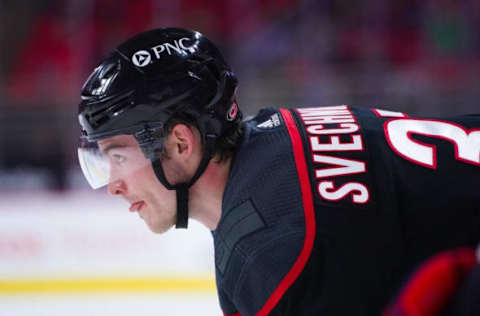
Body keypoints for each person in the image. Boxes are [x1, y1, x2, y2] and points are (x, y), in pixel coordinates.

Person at [77, 28, 480, 316]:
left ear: (181, 144)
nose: (112, 186)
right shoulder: (277, 136)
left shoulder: (271, 253)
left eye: (117, 157)